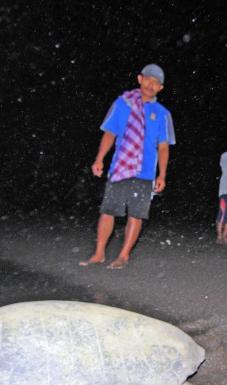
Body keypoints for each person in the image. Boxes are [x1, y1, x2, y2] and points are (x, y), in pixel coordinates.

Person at [80, 64, 174, 269]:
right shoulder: (123, 104)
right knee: (108, 211)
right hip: (120, 167)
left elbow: (163, 147)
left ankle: (123, 256)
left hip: (145, 172)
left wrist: (162, 174)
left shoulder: (162, 114)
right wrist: (99, 158)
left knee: (136, 214)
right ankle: (99, 254)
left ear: (160, 88)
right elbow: (110, 133)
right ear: (140, 79)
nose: (151, 84)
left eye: (156, 82)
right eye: (148, 79)